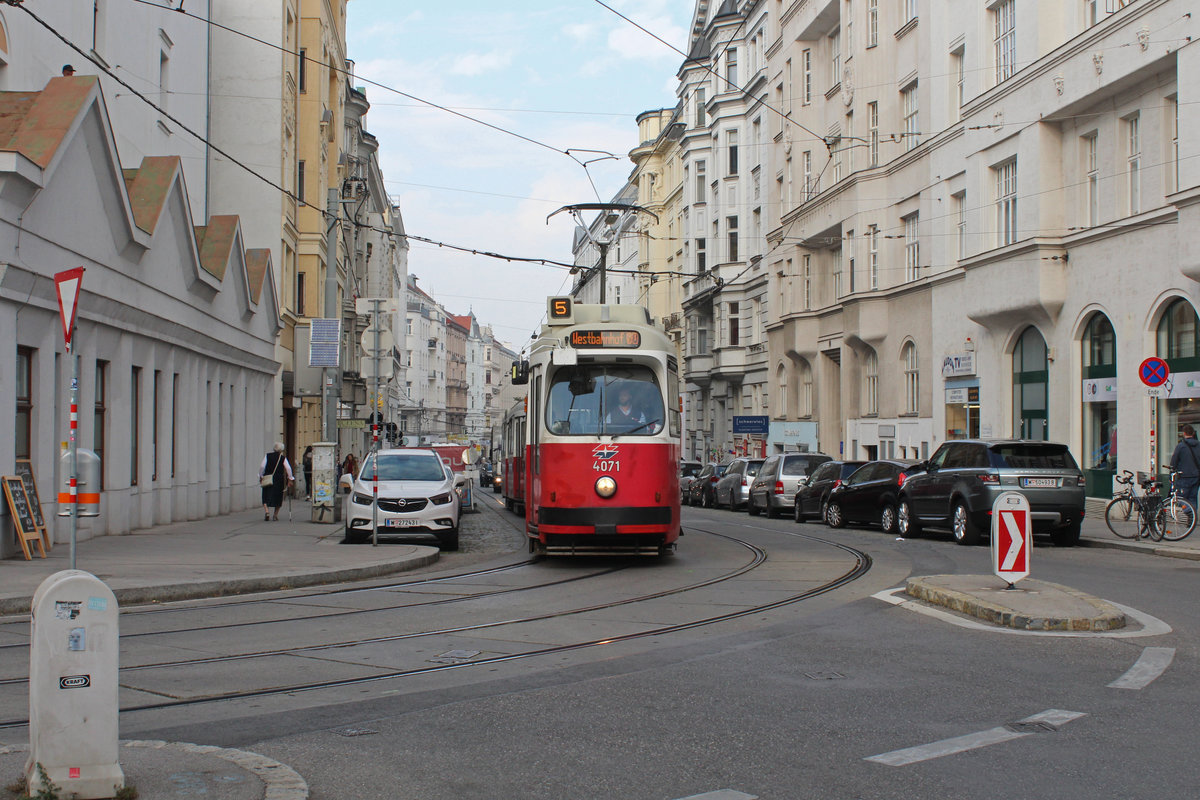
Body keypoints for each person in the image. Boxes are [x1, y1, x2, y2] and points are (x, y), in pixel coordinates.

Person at [259, 442, 294, 521]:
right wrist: (290, 478)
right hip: (278, 479)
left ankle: (267, 511)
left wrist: (261, 476)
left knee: (266, 495)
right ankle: (275, 515)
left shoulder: (267, 456)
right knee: (278, 496)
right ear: (281, 450)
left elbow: (262, 466)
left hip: (268, 477)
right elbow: (288, 468)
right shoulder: (282, 458)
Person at [1169, 423, 1200, 512]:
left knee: (1182, 498)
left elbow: (1174, 461)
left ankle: (1189, 515)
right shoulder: (1199, 445)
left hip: (1184, 476)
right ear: (1193, 433)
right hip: (1196, 476)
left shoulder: (1181, 446)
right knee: (1193, 498)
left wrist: (1171, 475)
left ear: (1184, 433)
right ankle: (1192, 517)